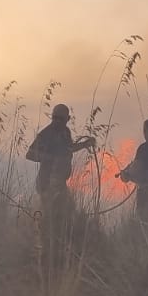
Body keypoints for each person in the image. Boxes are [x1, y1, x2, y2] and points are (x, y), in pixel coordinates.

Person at [25, 103, 94, 269]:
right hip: (46, 185)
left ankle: (60, 253)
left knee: (67, 215)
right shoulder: (46, 134)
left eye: (60, 119)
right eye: (55, 118)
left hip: (60, 185)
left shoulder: (65, 133)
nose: (57, 121)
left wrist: (85, 145)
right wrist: (49, 157)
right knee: (49, 219)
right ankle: (44, 256)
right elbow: (30, 154)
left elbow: (68, 149)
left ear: (67, 120)